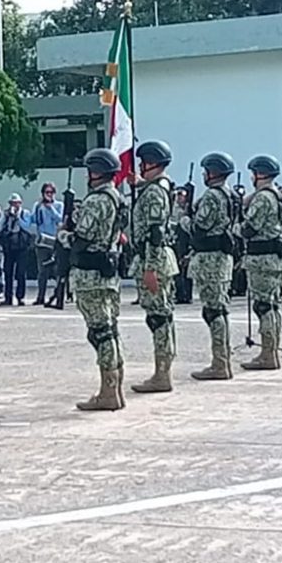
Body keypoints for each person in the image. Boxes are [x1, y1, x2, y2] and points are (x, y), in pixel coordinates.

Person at [71, 148, 126, 411]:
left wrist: (62, 236)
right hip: (108, 274)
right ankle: (115, 387)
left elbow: (82, 239)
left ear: (95, 172)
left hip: (91, 276)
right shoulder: (117, 198)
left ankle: (108, 391)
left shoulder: (96, 200)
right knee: (110, 331)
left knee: (100, 333)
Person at [128, 141, 181, 394]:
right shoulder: (159, 187)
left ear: (152, 162)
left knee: (158, 318)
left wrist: (149, 268)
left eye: (143, 162)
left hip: (154, 261)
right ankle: (163, 370)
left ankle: (162, 374)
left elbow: (154, 233)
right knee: (162, 316)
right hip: (159, 259)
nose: (141, 166)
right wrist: (137, 183)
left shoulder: (154, 193)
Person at [185, 152, 237, 381]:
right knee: (220, 309)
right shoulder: (231, 195)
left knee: (213, 311)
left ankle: (220, 363)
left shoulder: (212, 196)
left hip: (210, 258)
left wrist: (185, 219)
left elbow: (200, 225)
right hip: (222, 257)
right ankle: (223, 359)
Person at [240, 155, 282, 371]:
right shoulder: (277, 196)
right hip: (274, 259)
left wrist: (235, 227)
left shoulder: (262, 198)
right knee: (272, 306)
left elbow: (249, 228)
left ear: (259, 173)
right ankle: (271, 350)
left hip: (262, 259)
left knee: (264, 307)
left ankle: (267, 354)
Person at [0, 194, 32, 306]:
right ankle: (8, 297)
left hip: (22, 247)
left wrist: (17, 217)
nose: (14, 205)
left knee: (21, 273)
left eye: (16, 203)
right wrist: (7, 217)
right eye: (12, 203)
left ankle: (20, 297)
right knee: (8, 273)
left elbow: (27, 226)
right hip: (9, 247)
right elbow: (0, 226)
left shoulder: (25, 213)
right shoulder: (6, 214)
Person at [31, 183, 64, 305]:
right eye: (47, 192)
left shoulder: (59, 205)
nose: (49, 195)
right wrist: (39, 208)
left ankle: (59, 295)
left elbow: (60, 219)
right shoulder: (38, 205)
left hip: (55, 240)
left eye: (51, 192)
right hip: (42, 241)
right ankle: (40, 296)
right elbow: (34, 220)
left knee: (57, 270)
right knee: (42, 271)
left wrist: (51, 208)